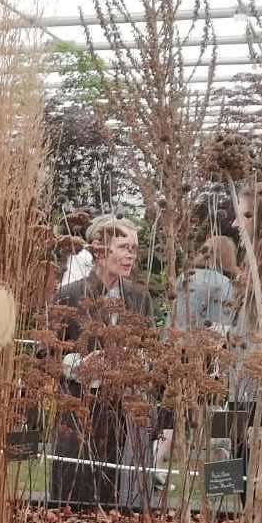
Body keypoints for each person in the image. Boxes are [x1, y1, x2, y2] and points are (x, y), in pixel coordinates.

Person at [49, 215, 153, 507]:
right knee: (74, 498)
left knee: (120, 505)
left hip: (125, 417)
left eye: (134, 247)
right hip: (79, 414)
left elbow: (151, 350)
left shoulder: (139, 298)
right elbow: (46, 356)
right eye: (123, 246)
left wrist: (134, 364)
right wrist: (78, 366)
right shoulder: (68, 296)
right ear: (99, 249)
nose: (130, 254)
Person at [169, 234, 239, 333]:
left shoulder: (184, 277)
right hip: (201, 344)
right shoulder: (224, 284)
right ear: (229, 258)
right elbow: (221, 325)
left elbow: (171, 312)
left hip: (174, 340)